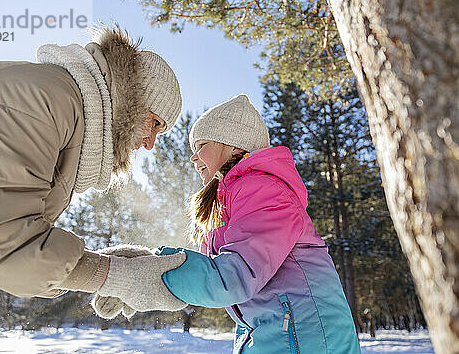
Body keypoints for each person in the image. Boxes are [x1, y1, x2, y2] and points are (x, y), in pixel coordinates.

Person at [0, 26, 188, 354]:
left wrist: (103, 264)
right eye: (156, 124)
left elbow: (18, 235)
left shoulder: (65, 114)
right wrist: (117, 276)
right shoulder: (43, 99)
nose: (149, 144)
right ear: (135, 97)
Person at [94, 94, 361, 353]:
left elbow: (231, 278)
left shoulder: (264, 190)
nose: (193, 157)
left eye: (201, 146)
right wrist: (144, 262)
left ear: (233, 144)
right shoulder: (236, 198)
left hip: (308, 337)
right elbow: (221, 273)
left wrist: (147, 274)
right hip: (276, 334)